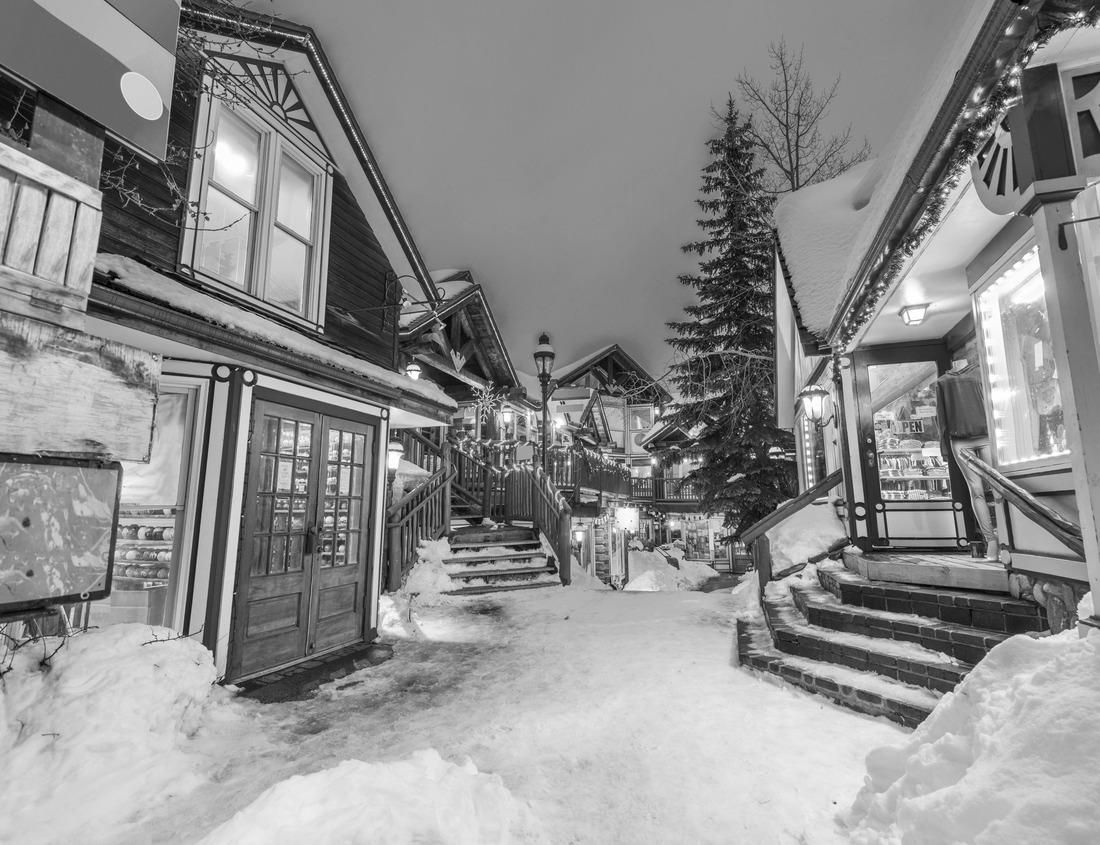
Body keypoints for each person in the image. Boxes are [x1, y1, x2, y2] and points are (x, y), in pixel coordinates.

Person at [935, 360, 999, 561]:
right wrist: (944, 448)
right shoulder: (943, 382)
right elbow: (941, 418)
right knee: (976, 490)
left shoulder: (981, 371)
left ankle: (1005, 537)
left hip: (987, 436)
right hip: (960, 441)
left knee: (997, 486)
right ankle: (992, 542)